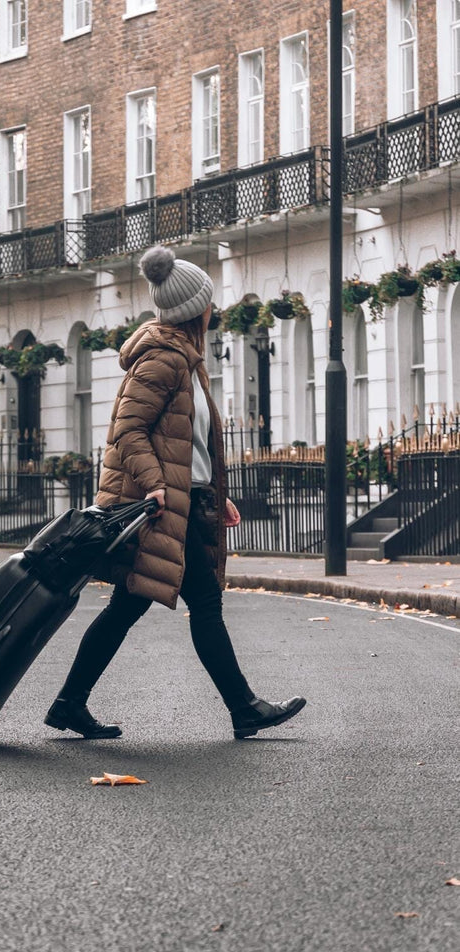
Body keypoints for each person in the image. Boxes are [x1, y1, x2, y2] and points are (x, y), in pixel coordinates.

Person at [45, 245, 306, 740]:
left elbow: (185, 443)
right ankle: (244, 708)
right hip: (155, 508)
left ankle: (69, 703)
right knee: (203, 602)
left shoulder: (186, 360)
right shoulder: (163, 361)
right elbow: (128, 430)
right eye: (208, 301)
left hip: (178, 502)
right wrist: (157, 485)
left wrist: (212, 493)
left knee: (127, 606)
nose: (213, 309)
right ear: (196, 310)